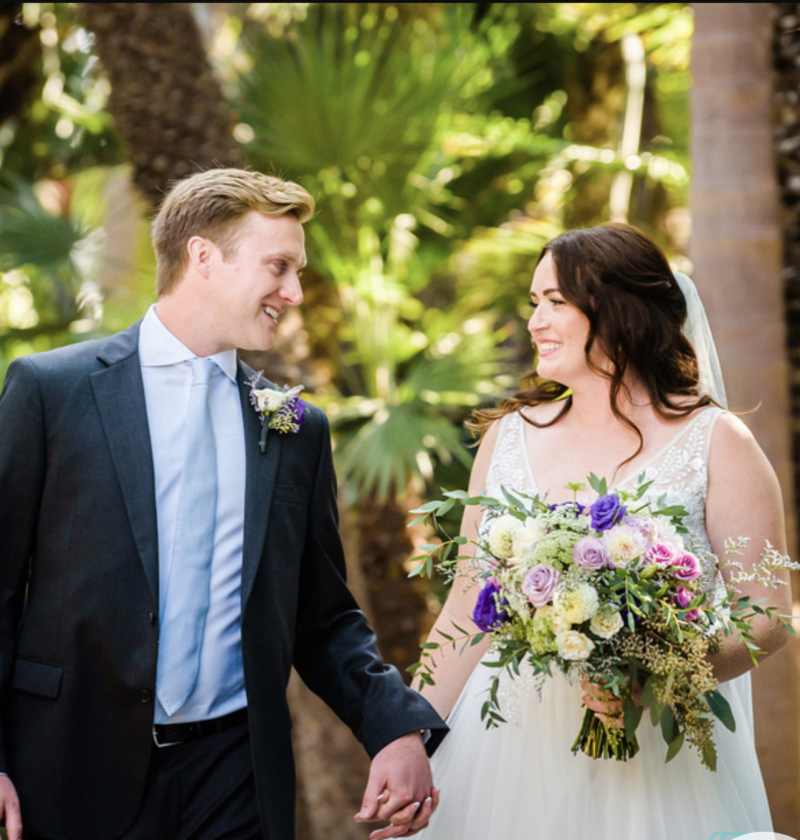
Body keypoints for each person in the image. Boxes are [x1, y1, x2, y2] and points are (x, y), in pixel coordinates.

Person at [0, 168, 446, 840]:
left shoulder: (295, 428)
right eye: (278, 267)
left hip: (235, 775)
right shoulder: (51, 392)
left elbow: (321, 615)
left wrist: (395, 729)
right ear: (203, 256)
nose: (294, 293)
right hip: (71, 770)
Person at [414, 223, 793, 839]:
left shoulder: (716, 442)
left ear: (619, 310)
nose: (536, 321)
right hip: (505, 754)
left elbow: (767, 616)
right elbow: (465, 605)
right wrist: (409, 735)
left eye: (555, 302)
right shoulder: (507, 438)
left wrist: (658, 671)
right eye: (534, 302)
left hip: (658, 763)